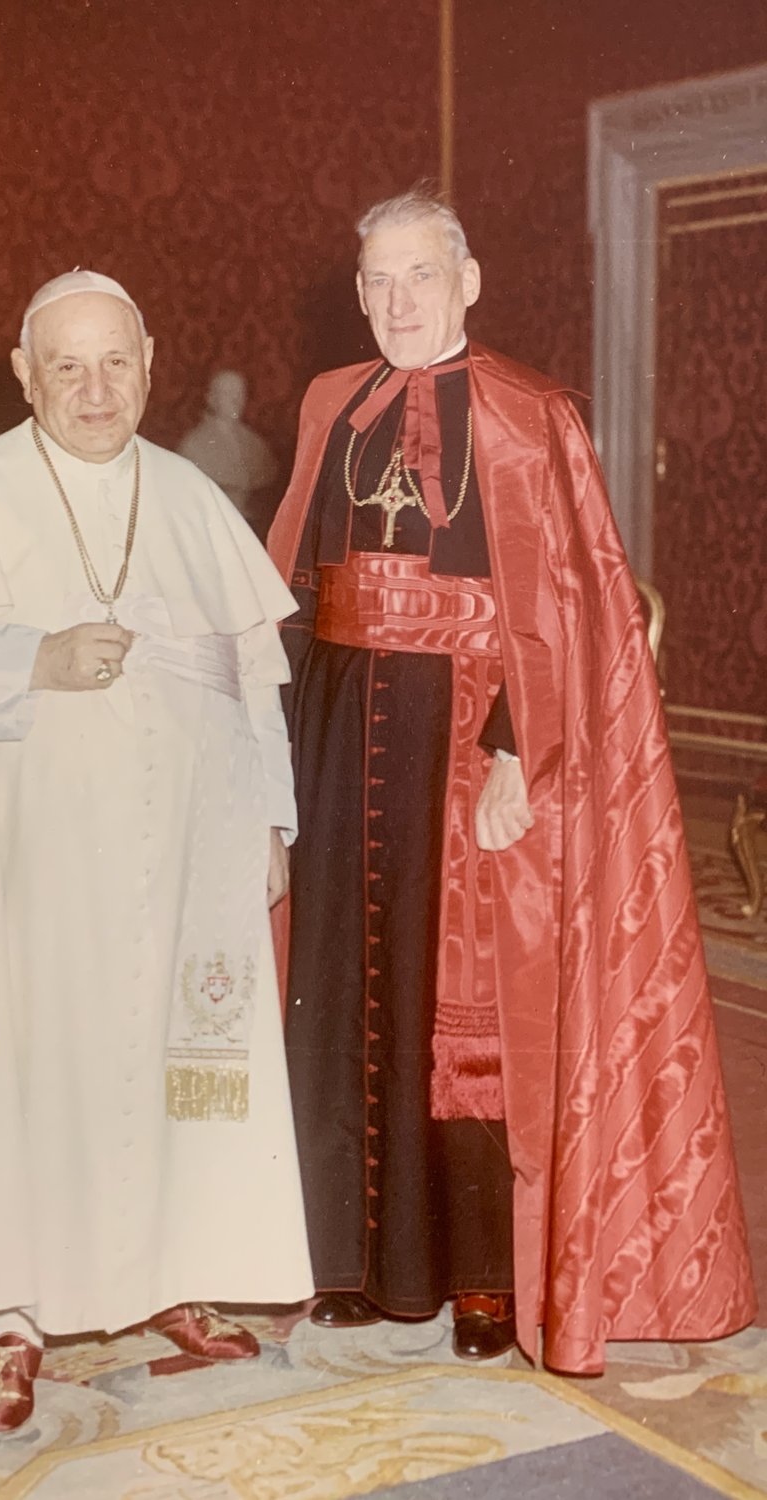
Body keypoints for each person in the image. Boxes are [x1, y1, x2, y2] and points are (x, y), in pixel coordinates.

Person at [268, 186, 756, 1374]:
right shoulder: (333, 403)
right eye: (376, 281)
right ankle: (350, 1263)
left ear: (468, 281)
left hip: (467, 741)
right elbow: (282, 583)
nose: (396, 302)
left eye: (420, 276)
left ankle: (483, 1275)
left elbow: (570, 612)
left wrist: (508, 753)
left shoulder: (533, 416)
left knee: (466, 1018)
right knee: (341, 984)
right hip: (338, 730)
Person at [0, 270, 313, 1434]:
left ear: (152, 360)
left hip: (186, 852)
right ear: (24, 373)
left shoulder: (194, 497)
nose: (95, 388)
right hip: (28, 852)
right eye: (67, 364)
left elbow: (253, 675)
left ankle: (174, 1280)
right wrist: (32, 662)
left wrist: (270, 816)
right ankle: (16, 1318)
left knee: (180, 1063)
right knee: (36, 1065)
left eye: (115, 361)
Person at [177, 369, 279, 536]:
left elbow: (267, 481)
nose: (235, 400)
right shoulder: (193, 445)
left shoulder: (256, 443)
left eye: (240, 393)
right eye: (228, 393)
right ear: (211, 399)